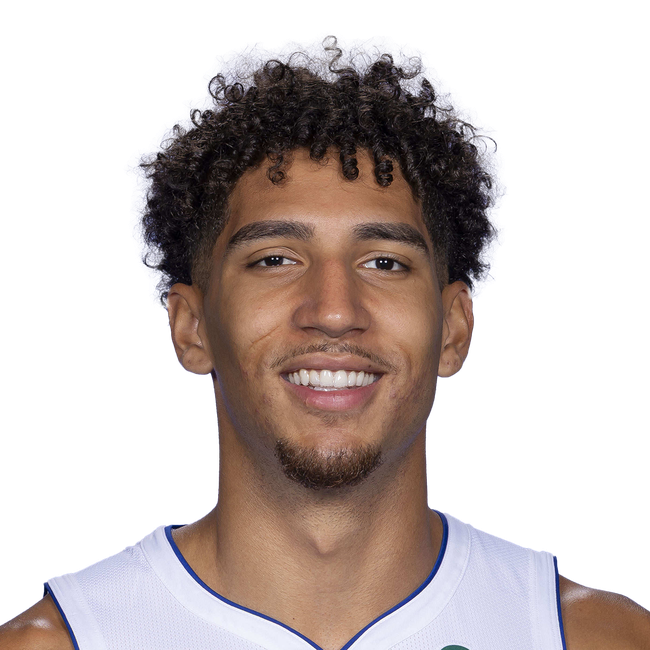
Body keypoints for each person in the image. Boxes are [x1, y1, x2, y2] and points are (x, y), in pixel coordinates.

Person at [2, 33, 648, 650]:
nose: (335, 312)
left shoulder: (599, 640)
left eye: (385, 262)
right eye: (275, 260)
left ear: (454, 327)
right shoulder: (61, 641)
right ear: (191, 326)